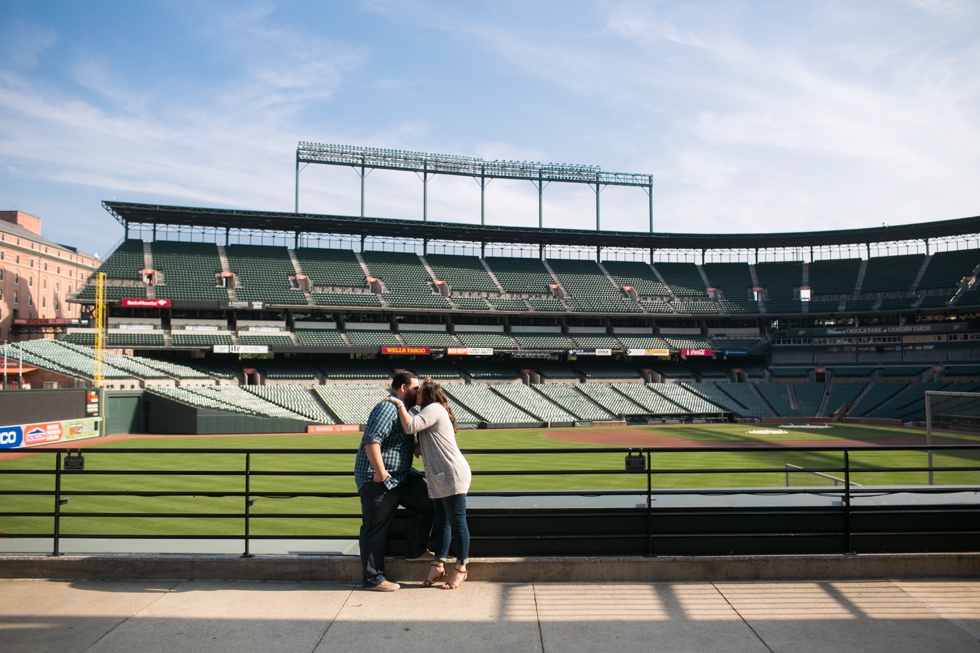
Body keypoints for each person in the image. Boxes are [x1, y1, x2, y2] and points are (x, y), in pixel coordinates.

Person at [387, 378, 471, 590]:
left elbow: (410, 426)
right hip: (439, 476)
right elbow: (421, 446)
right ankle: (438, 564)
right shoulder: (430, 411)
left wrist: (398, 404)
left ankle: (461, 568)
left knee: (457, 523)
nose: (416, 394)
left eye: (419, 391)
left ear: (427, 395)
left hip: (451, 474)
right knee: (442, 522)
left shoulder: (434, 408)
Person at [354, 371, 434, 591]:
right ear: (402, 388)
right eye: (415, 388)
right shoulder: (387, 407)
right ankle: (373, 579)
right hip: (380, 478)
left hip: (401, 475)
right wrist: (379, 472)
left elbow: (400, 439)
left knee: (427, 502)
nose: (418, 392)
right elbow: (372, 441)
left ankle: (416, 551)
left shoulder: (403, 409)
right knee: (375, 529)